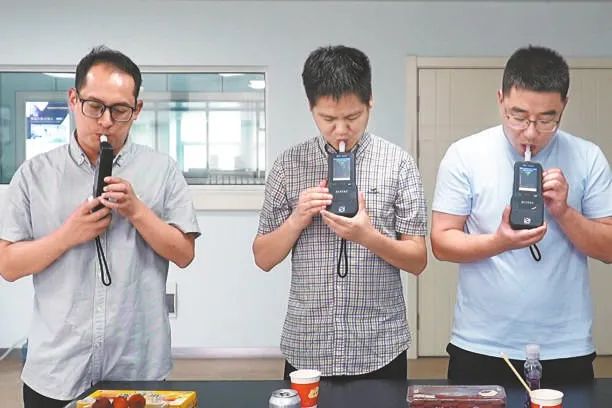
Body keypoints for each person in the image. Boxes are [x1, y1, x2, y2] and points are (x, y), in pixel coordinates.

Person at [0, 46, 201, 407]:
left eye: (120, 110)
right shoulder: (34, 174)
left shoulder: (162, 170)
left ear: (137, 110)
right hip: (56, 371)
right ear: (73, 100)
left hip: (138, 367)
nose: (106, 121)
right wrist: (67, 235)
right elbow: (7, 265)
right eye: (94, 106)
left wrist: (138, 212)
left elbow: (184, 254)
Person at [430, 45, 612, 385]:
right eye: (518, 116)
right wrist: (500, 241)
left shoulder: (588, 157)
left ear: (564, 106)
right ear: (500, 99)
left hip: (565, 346)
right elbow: (441, 242)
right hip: (481, 344)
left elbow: (609, 248)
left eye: (546, 120)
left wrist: (564, 212)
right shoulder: (464, 155)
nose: (530, 132)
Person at [252, 45, 427, 380]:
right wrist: (297, 219)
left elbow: (418, 260)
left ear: (370, 102)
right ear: (311, 108)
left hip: (380, 345)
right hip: (307, 345)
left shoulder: (398, 164)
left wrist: (368, 236)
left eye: (353, 117)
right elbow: (263, 258)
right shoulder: (289, 165)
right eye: (328, 119)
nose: (341, 130)